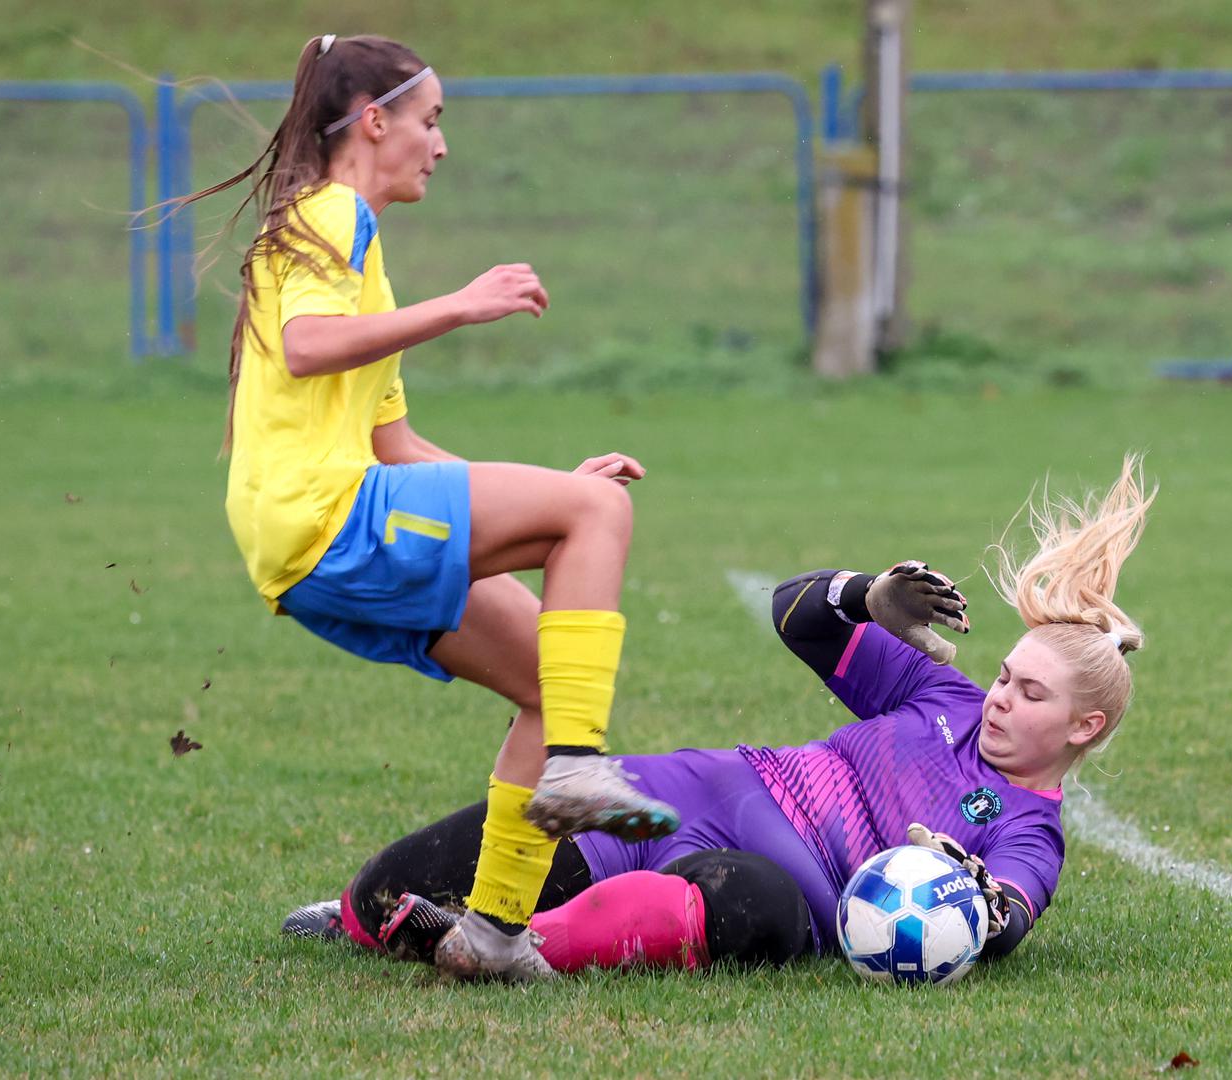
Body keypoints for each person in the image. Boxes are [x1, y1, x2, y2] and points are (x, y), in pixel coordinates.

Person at [180, 34, 680, 981]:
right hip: (326, 517)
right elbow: (308, 345)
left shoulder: (342, 242)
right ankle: (578, 769)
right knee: (595, 521)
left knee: (546, 677)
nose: (441, 145)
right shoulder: (333, 214)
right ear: (374, 122)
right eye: (431, 119)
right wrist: (462, 305)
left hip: (307, 532)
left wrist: (553, 495)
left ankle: (492, 936)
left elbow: (396, 447)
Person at [285, 457, 1156, 975]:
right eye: (1004, 677)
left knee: (759, 910)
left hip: (774, 882)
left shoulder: (1028, 830)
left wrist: (980, 901)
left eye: (1029, 695)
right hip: (687, 794)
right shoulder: (944, 698)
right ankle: (365, 916)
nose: (999, 698)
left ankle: (505, 944)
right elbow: (796, 617)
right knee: (381, 892)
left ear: (1082, 728)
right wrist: (864, 595)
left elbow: (1009, 914)